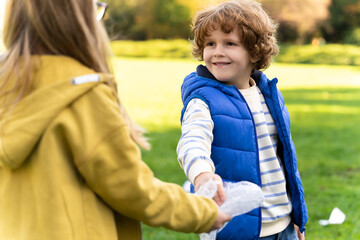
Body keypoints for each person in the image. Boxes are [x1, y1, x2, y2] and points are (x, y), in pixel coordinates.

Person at [0, 0, 232, 239]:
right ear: (78, 18)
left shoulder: (6, 86)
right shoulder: (83, 93)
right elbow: (130, 186)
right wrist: (201, 212)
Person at [177, 0, 308, 239]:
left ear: (255, 50)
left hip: (284, 224)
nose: (217, 51)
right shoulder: (202, 101)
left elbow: (284, 160)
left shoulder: (269, 94)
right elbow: (192, 142)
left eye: (230, 43)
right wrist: (202, 175)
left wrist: (298, 216)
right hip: (235, 228)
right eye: (210, 43)